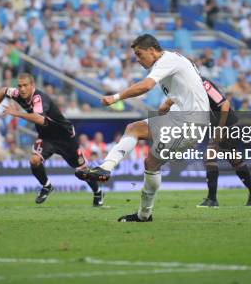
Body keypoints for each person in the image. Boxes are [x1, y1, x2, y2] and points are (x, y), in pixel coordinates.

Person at [76, 34, 210, 222]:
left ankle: (106, 168)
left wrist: (115, 97)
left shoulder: (166, 60)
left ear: (152, 50)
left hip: (190, 121)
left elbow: (146, 86)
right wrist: (170, 100)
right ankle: (143, 215)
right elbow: (191, 85)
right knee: (150, 160)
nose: (138, 60)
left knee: (136, 131)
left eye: (140, 55)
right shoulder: (175, 59)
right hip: (187, 119)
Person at [0, 73, 103, 206]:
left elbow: (39, 119)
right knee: (34, 160)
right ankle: (46, 186)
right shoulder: (17, 94)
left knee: (82, 171)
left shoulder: (39, 98)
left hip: (65, 138)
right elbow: (3, 90)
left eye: (25, 85)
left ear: (32, 86)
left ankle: (98, 192)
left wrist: (16, 113)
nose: (22, 89)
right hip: (47, 137)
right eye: (19, 86)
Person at [176, 76, 251, 207]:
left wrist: (219, 129)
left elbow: (225, 104)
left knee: (209, 158)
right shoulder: (191, 86)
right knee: (235, 160)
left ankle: (212, 199)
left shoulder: (204, 84)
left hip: (225, 125)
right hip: (222, 125)